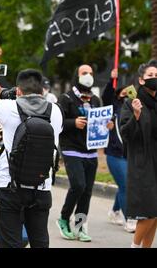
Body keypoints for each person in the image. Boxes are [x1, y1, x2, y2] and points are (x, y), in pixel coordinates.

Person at [0, 65, 63, 248]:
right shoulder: (56, 111)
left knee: (10, 242)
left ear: (18, 90)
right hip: (42, 186)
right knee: (40, 240)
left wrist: (0, 91)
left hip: (9, 186)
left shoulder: (5, 107)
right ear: (42, 90)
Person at [56, 64, 101, 242]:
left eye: (90, 73)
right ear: (77, 75)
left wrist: (107, 126)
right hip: (72, 149)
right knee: (79, 185)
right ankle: (64, 218)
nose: (88, 76)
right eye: (84, 73)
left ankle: (81, 226)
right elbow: (57, 123)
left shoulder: (96, 100)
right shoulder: (66, 98)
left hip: (91, 151)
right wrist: (73, 123)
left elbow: (99, 122)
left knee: (87, 191)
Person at [120, 62, 157, 248]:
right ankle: (135, 246)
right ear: (141, 80)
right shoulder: (131, 103)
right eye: (151, 75)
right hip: (142, 163)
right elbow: (124, 134)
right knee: (151, 211)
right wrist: (135, 114)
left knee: (156, 214)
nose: (155, 78)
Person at [102, 69, 137, 233]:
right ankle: (129, 218)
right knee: (125, 186)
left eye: (128, 92)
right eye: (122, 91)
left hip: (129, 154)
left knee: (125, 185)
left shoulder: (132, 108)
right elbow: (107, 95)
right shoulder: (113, 106)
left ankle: (114, 211)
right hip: (114, 154)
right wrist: (111, 79)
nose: (125, 93)